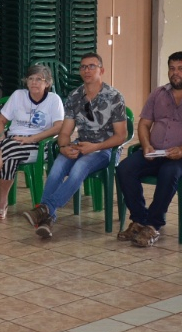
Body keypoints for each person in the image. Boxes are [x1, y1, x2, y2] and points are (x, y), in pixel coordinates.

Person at [116, 52, 182, 247]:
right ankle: (139, 220)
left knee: (168, 172)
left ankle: (153, 225)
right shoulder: (158, 93)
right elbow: (144, 124)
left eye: (181, 69)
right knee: (124, 168)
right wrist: (146, 144)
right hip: (155, 153)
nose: (175, 73)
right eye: (172, 68)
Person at [22, 53, 128, 238]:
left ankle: (46, 208)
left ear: (101, 70)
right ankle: (48, 218)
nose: (87, 70)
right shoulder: (75, 96)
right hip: (81, 145)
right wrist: (64, 147)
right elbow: (64, 132)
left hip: (106, 149)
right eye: (83, 67)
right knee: (57, 168)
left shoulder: (114, 96)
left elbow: (121, 136)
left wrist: (94, 148)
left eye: (91, 66)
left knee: (80, 166)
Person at [0, 64, 65, 219]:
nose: (34, 83)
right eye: (31, 79)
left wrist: (31, 138)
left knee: (4, 149)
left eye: (39, 79)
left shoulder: (53, 100)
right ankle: (2, 202)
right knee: (8, 153)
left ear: (47, 83)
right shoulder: (18, 95)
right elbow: (0, 120)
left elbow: (58, 127)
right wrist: (2, 133)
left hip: (39, 145)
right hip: (13, 141)